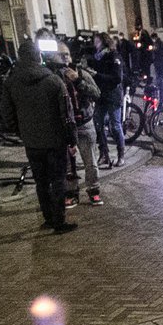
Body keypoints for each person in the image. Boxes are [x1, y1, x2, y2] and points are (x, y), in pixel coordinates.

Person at [0, 39, 76, 234]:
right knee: (57, 180)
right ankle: (59, 220)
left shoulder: (11, 82)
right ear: (38, 56)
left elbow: (7, 113)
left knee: (41, 182)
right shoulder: (53, 81)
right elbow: (67, 114)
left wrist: (20, 131)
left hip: (32, 141)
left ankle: (48, 217)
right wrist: (71, 138)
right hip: (55, 140)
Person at [56, 44, 102, 206]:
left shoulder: (81, 73)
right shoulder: (54, 77)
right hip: (66, 126)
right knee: (68, 163)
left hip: (85, 123)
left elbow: (96, 93)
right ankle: (72, 192)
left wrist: (78, 81)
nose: (64, 58)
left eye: (67, 54)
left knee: (91, 161)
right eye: (60, 55)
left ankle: (94, 190)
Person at [91, 32, 126, 167]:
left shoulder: (113, 56)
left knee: (115, 126)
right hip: (101, 95)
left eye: (97, 42)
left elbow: (117, 78)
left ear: (104, 42)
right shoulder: (97, 57)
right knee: (98, 124)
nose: (95, 44)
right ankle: (104, 154)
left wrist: (97, 75)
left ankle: (121, 155)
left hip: (112, 95)